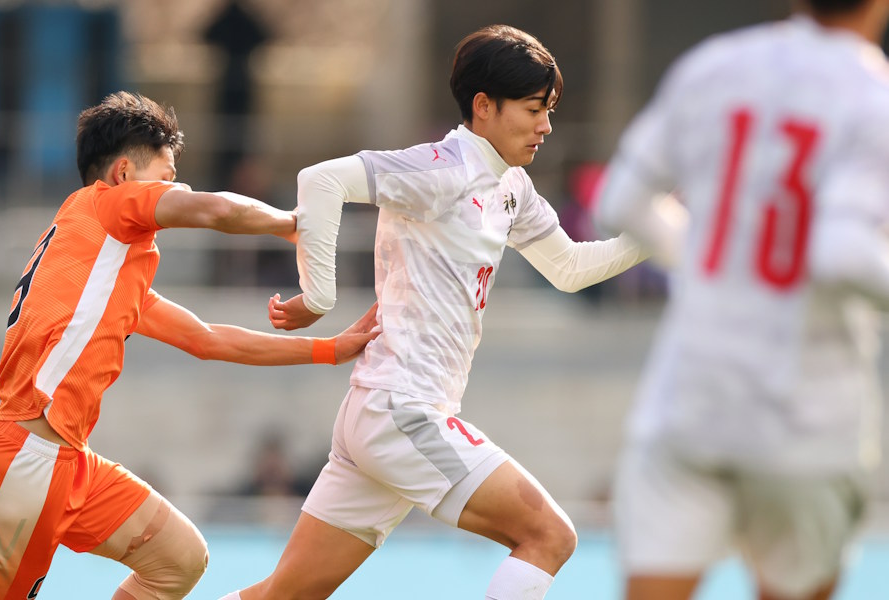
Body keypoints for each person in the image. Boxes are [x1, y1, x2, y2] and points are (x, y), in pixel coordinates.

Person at [219, 24, 647, 600]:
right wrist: (318, 296)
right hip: (403, 410)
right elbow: (320, 180)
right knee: (549, 536)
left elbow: (568, 268)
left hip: (384, 411)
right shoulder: (441, 169)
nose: (546, 126)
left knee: (281, 597)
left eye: (548, 111)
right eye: (533, 109)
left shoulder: (510, 186)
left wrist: (656, 236)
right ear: (484, 106)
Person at [0, 91, 379, 600]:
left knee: (179, 559)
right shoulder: (107, 204)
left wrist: (330, 349)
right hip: (28, 458)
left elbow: (208, 339)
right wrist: (294, 225)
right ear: (124, 174)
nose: (179, 190)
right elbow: (213, 209)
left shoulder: (104, 265)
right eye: (169, 178)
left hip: (66, 462)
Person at [596, 1, 889, 599]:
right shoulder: (872, 96)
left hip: (692, 397)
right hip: (806, 412)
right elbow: (844, 254)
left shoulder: (714, 66)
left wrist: (710, 262)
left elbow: (620, 203)